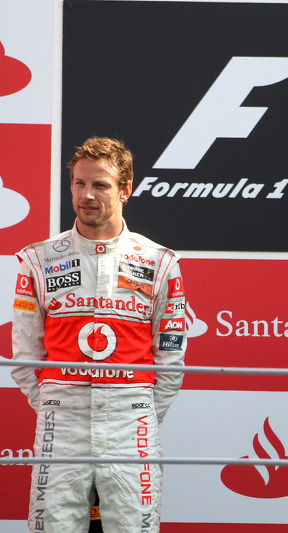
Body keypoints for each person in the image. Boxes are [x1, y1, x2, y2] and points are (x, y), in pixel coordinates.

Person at [11, 137, 187, 532]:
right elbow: (24, 358)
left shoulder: (159, 262)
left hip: (131, 426)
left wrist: (136, 410)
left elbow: (171, 361)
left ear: (125, 190)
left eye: (101, 185)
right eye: (78, 183)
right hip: (62, 423)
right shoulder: (39, 259)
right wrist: (57, 404)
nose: (86, 195)